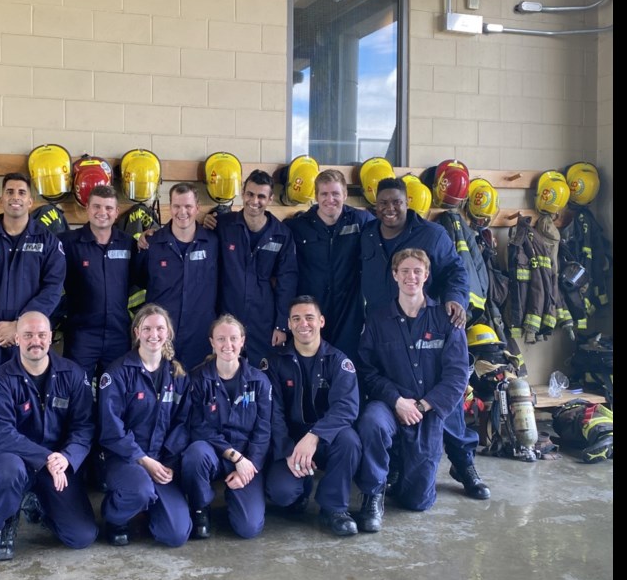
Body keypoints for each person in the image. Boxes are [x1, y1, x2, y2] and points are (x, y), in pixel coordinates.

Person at [360, 177, 490, 500]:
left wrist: (456, 300)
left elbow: (457, 273)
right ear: (374, 206)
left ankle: (463, 463)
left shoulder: (433, 235)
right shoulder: (367, 235)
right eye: (384, 203)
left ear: (408, 204)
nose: (390, 209)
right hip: (387, 334)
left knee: (446, 405)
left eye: (397, 203)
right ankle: (392, 470)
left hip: (428, 330)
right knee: (389, 405)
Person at [0, 172, 67, 514]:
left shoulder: (48, 241)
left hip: (31, 342)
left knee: (33, 413)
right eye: (9, 192)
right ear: (1, 199)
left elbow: (53, 288)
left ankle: (31, 483)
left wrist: (19, 328)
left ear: (31, 201)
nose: (16, 197)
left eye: (22, 192)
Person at [353, 249, 471, 532]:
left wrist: (423, 406)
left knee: (418, 501)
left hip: (428, 409)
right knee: (372, 423)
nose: (411, 277)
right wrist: (396, 401)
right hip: (389, 404)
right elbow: (367, 370)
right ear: (394, 275)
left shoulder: (446, 319)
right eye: (404, 271)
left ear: (426, 276)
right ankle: (373, 495)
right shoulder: (378, 319)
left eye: (417, 271)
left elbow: (457, 376)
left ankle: (398, 474)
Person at [0, 312, 98, 561]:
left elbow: (84, 427)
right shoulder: (0, 380)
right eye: (28, 335)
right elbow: (1, 435)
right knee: (8, 471)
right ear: (17, 339)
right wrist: (45, 457)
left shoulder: (73, 375)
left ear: (51, 337)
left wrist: (67, 458)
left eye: (42, 335)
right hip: (16, 459)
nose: (36, 341)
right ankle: (5, 523)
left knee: (82, 536)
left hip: (57, 463)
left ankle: (42, 505)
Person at [263, 295, 362, 537]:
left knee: (350, 440)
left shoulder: (339, 361)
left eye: (309, 318)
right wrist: (288, 450)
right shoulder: (275, 363)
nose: (303, 324)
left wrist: (315, 435)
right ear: (289, 323)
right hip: (291, 441)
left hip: (325, 438)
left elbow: (346, 407)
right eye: (296, 319)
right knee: (282, 494)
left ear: (321, 321)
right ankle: (301, 489)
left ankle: (334, 508)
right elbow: (271, 412)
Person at [98, 304, 193, 547]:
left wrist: (168, 463)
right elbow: (111, 428)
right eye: (147, 328)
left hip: (160, 460)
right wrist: (142, 459)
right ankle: (115, 516)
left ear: (168, 333)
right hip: (124, 458)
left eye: (160, 328)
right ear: (137, 332)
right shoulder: (117, 373)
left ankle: (147, 506)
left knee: (176, 535)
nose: (154, 334)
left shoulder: (177, 375)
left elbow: (184, 422)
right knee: (140, 489)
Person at [181, 315, 272, 540]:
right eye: (221, 339)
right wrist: (234, 457)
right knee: (195, 453)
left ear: (242, 341)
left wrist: (247, 468)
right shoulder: (197, 379)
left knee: (249, 528)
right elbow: (197, 427)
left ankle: (239, 494)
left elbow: (263, 431)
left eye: (233, 338)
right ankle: (200, 508)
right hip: (213, 452)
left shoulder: (259, 381)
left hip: (247, 457)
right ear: (212, 342)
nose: (227, 345)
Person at [205, 170, 298, 367]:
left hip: (263, 320)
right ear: (242, 193)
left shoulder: (281, 234)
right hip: (227, 315)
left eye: (261, 196)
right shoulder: (223, 225)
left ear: (270, 199)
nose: (254, 201)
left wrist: (281, 325)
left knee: (261, 374)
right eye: (250, 194)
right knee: (225, 371)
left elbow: (287, 281)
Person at [284, 169, 375, 360]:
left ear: (345, 194)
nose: (330, 199)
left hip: (349, 310)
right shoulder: (298, 227)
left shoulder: (362, 221)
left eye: (335, 193)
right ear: (316, 196)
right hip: (311, 311)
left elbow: (389, 234)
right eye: (324, 194)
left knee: (347, 363)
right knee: (312, 361)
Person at [134, 183, 219, 371]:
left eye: (188, 206)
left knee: (197, 393)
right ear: (169, 207)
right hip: (162, 337)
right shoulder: (151, 243)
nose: (182, 212)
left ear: (197, 208)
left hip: (200, 336)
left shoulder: (213, 243)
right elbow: (139, 280)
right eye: (176, 206)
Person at [59, 185, 137, 379]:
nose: (102, 212)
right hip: (81, 336)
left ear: (117, 212)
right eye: (97, 206)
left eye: (109, 208)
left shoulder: (129, 244)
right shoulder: (66, 243)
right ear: (87, 208)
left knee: (116, 394)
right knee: (76, 393)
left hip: (119, 334)